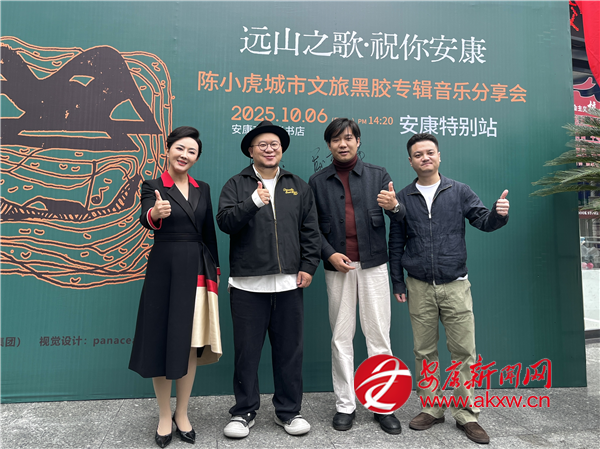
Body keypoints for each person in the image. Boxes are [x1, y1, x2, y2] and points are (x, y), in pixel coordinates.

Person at [389, 133, 510, 445]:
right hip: (419, 286)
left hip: (455, 285)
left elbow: (483, 221)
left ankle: (466, 413)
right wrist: (397, 281)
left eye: (430, 152)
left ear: (439, 156)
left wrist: (498, 215)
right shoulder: (403, 197)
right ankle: (431, 407)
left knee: (463, 352)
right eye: (418, 154)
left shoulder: (459, 191)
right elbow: (396, 243)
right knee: (424, 351)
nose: (425, 158)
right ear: (410, 161)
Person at [217, 120, 321, 439]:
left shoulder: (297, 185)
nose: (269, 149)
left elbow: (310, 230)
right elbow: (225, 222)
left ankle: (288, 411)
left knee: (289, 352)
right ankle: (243, 412)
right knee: (247, 353)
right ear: (251, 150)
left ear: (282, 149)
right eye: (262, 144)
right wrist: (253, 202)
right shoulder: (236, 184)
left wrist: (308, 266)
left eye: (274, 144)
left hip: (289, 285)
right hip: (247, 286)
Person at [308, 118, 406, 434]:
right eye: (336, 139)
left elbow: (400, 217)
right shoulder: (317, 181)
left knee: (378, 336)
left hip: (374, 265)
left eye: (349, 138)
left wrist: (395, 207)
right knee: (341, 337)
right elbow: (310, 228)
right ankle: (345, 405)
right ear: (329, 145)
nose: (343, 144)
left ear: (358, 141)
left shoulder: (378, 175)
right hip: (338, 267)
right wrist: (329, 254)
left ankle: (383, 404)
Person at [129, 126, 222, 448]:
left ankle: (182, 412)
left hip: (197, 268)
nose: (184, 155)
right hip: (164, 269)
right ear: (167, 150)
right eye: (180, 148)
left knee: (190, 341)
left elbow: (209, 234)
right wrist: (155, 213)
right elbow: (145, 216)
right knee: (161, 339)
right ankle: (164, 414)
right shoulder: (152, 185)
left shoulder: (202, 188)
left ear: (196, 158)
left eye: (191, 151)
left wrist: (215, 271)